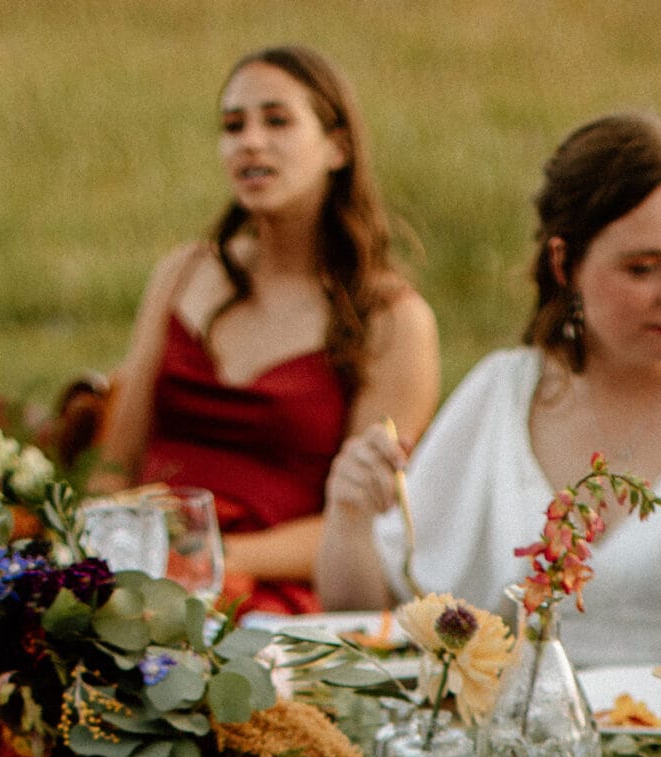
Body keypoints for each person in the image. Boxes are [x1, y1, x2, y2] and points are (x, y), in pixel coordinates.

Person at [315, 114, 661, 670]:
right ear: (566, 264)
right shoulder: (503, 395)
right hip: (525, 734)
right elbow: (364, 611)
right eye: (641, 269)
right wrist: (348, 513)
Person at [97, 46, 439, 617]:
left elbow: (368, 523)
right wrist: (100, 559)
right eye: (233, 126)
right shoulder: (183, 274)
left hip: (271, 593)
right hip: (142, 578)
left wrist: (207, 558)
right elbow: (116, 463)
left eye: (277, 121)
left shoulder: (392, 320)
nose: (249, 141)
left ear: (338, 146)